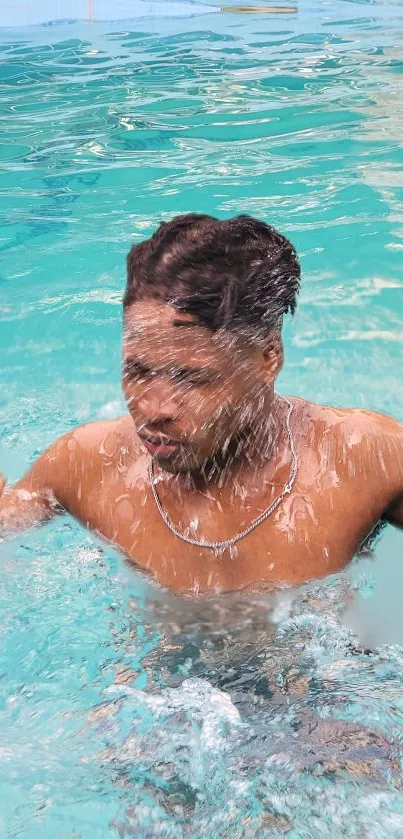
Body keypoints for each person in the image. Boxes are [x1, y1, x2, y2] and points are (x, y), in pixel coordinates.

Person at [1, 213, 403, 594]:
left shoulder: (363, 459)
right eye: (138, 371)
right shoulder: (87, 465)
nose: (154, 408)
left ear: (268, 357)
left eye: (191, 378)